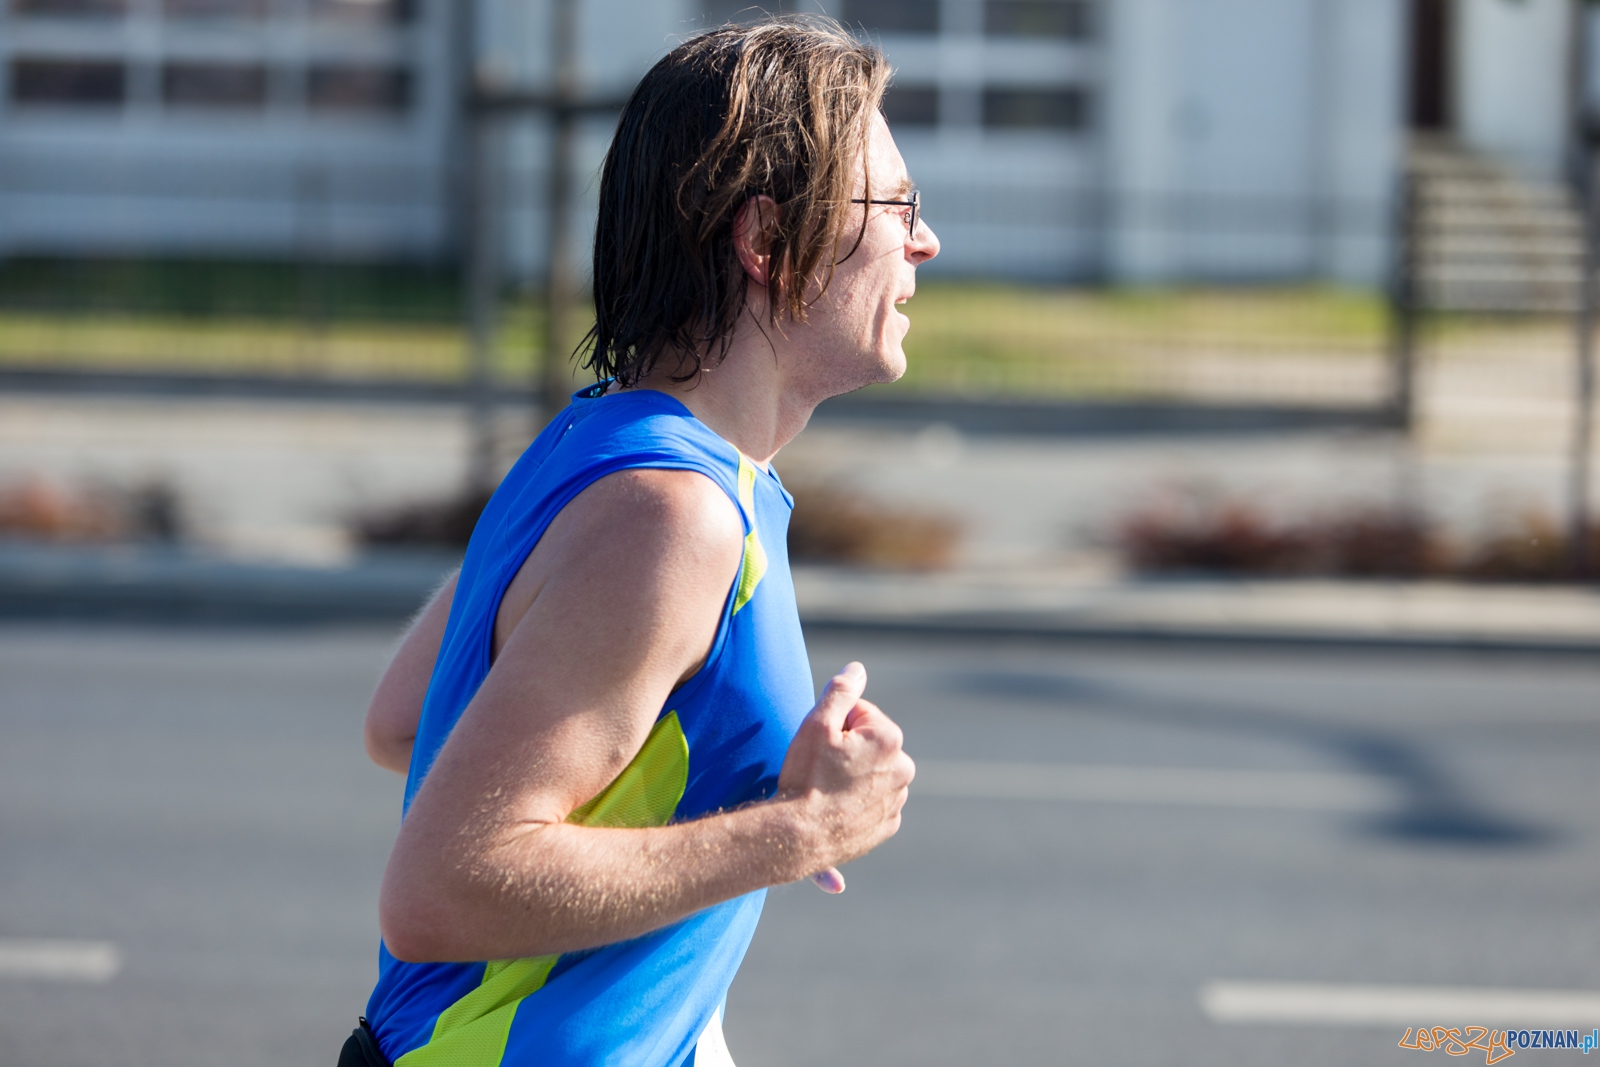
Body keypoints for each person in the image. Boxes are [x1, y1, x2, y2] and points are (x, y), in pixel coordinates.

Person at [345, 15, 938, 1067]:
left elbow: (405, 718)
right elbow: (438, 889)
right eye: (896, 205)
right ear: (768, 243)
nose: (923, 241)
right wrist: (801, 827)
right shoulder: (673, 516)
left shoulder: (604, 442)